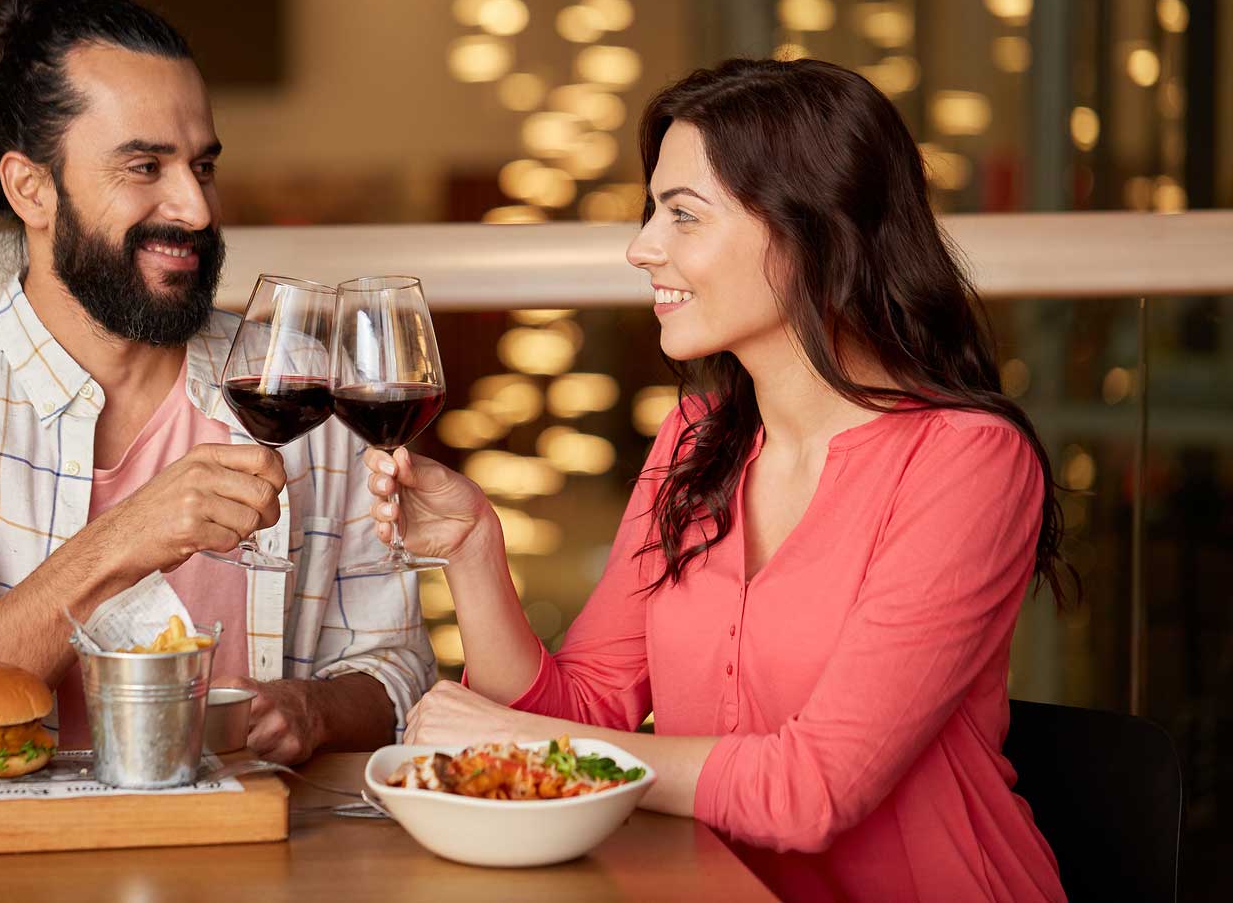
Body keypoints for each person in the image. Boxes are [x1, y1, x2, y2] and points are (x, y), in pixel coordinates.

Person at [367, 58, 1071, 901]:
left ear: (811, 233)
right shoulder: (694, 443)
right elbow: (586, 713)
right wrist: (473, 548)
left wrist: (521, 745)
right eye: (651, 212)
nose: (642, 247)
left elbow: (814, 791)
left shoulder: (967, 462)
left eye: (683, 216)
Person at [0, 0, 432, 764]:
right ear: (30, 189)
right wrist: (123, 541)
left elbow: (399, 668)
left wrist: (314, 710)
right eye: (145, 166)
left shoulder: (302, 393)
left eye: (202, 165)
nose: (196, 207)